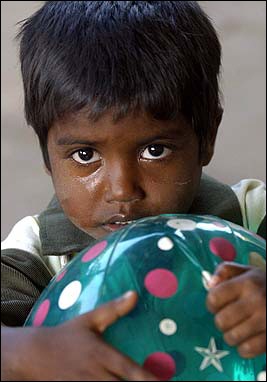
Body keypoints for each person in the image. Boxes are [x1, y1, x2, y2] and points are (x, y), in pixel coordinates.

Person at [1, 1, 266, 380]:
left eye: (154, 151)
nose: (123, 190)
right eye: (85, 154)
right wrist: (22, 352)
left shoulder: (252, 217)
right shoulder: (34, 255)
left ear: (207, 136)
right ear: (46, 152)